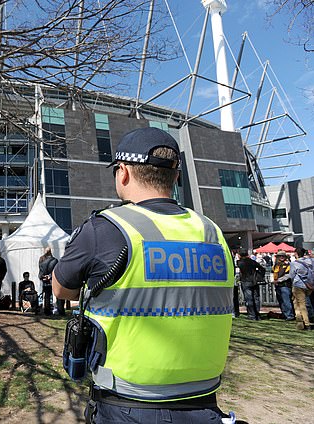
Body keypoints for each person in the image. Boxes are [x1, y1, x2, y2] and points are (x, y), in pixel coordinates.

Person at [52, 127, 234, 423]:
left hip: (128, 403)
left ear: (122, 172)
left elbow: (60, 289)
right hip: (204, 400)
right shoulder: (212, 232)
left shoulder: (107, 227)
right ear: (175, 177)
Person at [289, 247, 314, 330]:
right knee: (297, 303)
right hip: (309, 285)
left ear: (296, 253)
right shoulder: (311, 261)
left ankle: (306, 324)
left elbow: (292, 275)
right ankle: (300, 324)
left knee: (300, 305)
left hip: (298, 285)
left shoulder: (294, 263)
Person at [237, 249, 266, 320]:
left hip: (245, 281)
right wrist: (258, 275)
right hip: (254, 281)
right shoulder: (252, 262)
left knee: (249, 299)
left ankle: (251, 315)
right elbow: (262, 268)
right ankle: (257, 314)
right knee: (256, 298)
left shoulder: (240, 262)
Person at [272, 250, 295, 320]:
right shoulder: (276, 265)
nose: (281, 257)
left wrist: (278, 280)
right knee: (281, 301)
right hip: (278, 285)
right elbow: (273, 273)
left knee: (286, 301)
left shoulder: (289, 265)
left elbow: (289, 275)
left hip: (285, 285)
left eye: (283, 256)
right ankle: (284, 314)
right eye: (280, 256)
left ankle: (290, 315)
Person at [38, 247, 60, 315]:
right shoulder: (55, 260)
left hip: (43, 279)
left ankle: (43, 309)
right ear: (51, 252)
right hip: (51, 279)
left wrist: (42, 276)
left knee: (44, 294)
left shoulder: (41, 259)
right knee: (52, 295)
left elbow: (40, 269)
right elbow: (55, 270)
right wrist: (49, 276)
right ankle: (51, 309)